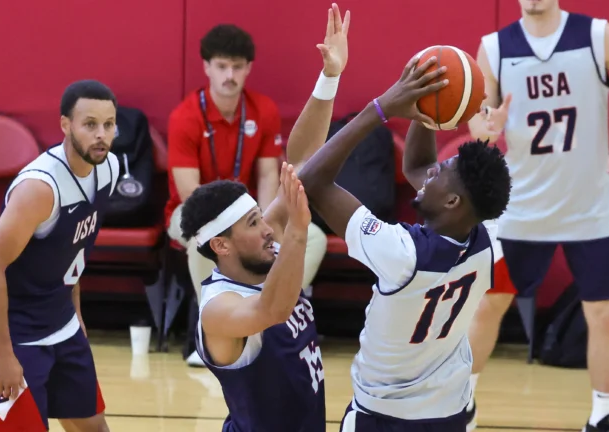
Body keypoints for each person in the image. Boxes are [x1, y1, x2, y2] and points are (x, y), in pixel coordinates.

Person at [295, 45, 512, 428]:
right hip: (449, 414)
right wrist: (429, 110)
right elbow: (417, 165)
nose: (432, 171)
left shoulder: (401, 255)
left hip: (382, 417)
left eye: (442, 170)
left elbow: (311, 180)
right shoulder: (487, 240)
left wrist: (381, 108)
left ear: (451, 201)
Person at [465, 1, 609, 431]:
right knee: (486, 307)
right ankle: (462, 404)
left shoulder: (597, 35)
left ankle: (602, 416)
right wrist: (486, 128)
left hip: (587, 208)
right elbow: (477, 124)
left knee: (604, 313)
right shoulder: (494, 47)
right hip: (520, 207)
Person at [179, 5, 349, 431]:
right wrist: (296, 226)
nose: (267, 226)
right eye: (254, 223)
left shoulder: (255, 252)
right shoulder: (220, 309)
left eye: (261, 216)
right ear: (221, 244)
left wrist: (330, 78)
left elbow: (303, 161)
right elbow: (274, 306)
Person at [165, 23, 328, 366]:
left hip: (247, 211)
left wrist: (267, 223)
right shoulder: (185, 116)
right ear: (206, 67)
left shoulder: (262, 110)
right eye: (222, 66)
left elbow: (270, 174)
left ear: (248, 69)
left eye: (237, 67)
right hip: (191, 212)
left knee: (313, 238)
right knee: (203, 235)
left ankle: (275, 307)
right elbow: (188, 193)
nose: (229, 75)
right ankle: (214, 326)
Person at [0, 80, 118, 432]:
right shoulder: (39, 189)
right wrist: (3, 354)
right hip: (15, 331)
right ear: (66, 125)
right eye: (90, 124)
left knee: (93, 426)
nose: (101, 135)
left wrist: (75, 311)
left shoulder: (107, 169)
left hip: (60, 320)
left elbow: (74, 249)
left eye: (108, 125)